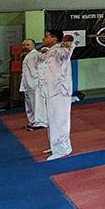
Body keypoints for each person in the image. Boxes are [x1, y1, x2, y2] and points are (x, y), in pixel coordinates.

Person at [36, 30, 75, 161]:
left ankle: (63, 149)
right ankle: (55, 145)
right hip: (50, 90)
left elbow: (68, 50)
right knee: (52, 120)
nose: (43, 38)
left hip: (60, 91)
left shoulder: (61, 49)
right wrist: (44, 51)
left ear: (54, 38)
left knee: (60, 120)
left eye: (46, 36)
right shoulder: (49, 51)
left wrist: (68, 43)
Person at [19, 39, 46, 130]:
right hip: (27, 83)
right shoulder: (27, 55)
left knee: (37, 104)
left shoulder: (37, 55)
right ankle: (32, 122)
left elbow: (42, 60)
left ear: (33, 45)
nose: (25, 47)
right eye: (23, 45)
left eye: (28, 45)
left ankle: (40, 123)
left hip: (35, 83)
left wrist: (44, 50)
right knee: (29, 105)